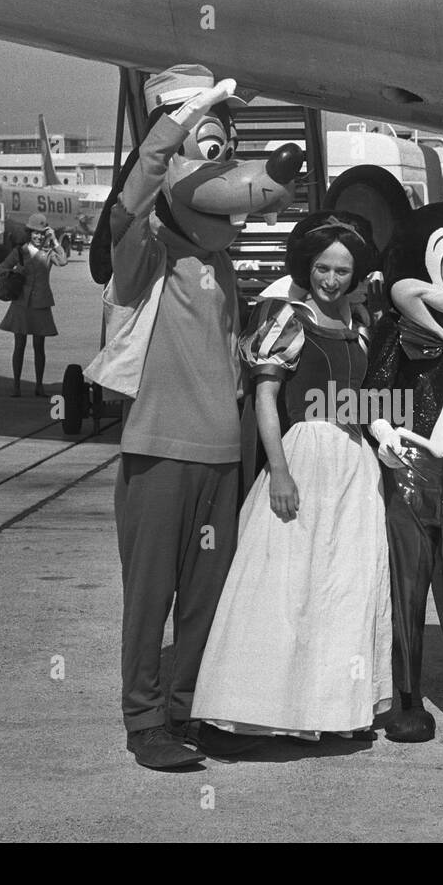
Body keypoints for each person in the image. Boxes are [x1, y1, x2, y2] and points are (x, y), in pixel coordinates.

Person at [105, 65, 302, 770]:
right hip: (159, 450)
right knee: (150, 597)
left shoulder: (225, 271)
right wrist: (185, 118)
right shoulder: (143, 258)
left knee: (205, 601)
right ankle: (143, 719)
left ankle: (189, 709)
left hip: (221, 457)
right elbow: (130, 201)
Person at [192, 212, 393, 740]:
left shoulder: (361, 326)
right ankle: (261, 711)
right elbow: (265, 398)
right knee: (282, 587)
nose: (331, 279)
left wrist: (387, 436)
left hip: (353, 466)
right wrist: (278, 471)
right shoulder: (288, 318)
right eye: (323, 268)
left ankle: (330, 712)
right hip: (302, 456)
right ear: (308, 267)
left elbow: (356, 398)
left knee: (343, 589)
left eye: (342, 271)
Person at [0, 213, 65, 397]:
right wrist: (15, 272)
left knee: (39, 347)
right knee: (19, 345)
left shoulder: (49, 253)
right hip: (21, 303)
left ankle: (39, 385)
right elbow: (0, 270)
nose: (39, 236)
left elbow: (63, 261)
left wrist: (55, 240)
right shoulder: (20, 252)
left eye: (42, 233)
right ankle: (16, 385)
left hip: (41, 304)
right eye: (35, 233)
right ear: (29, 233)